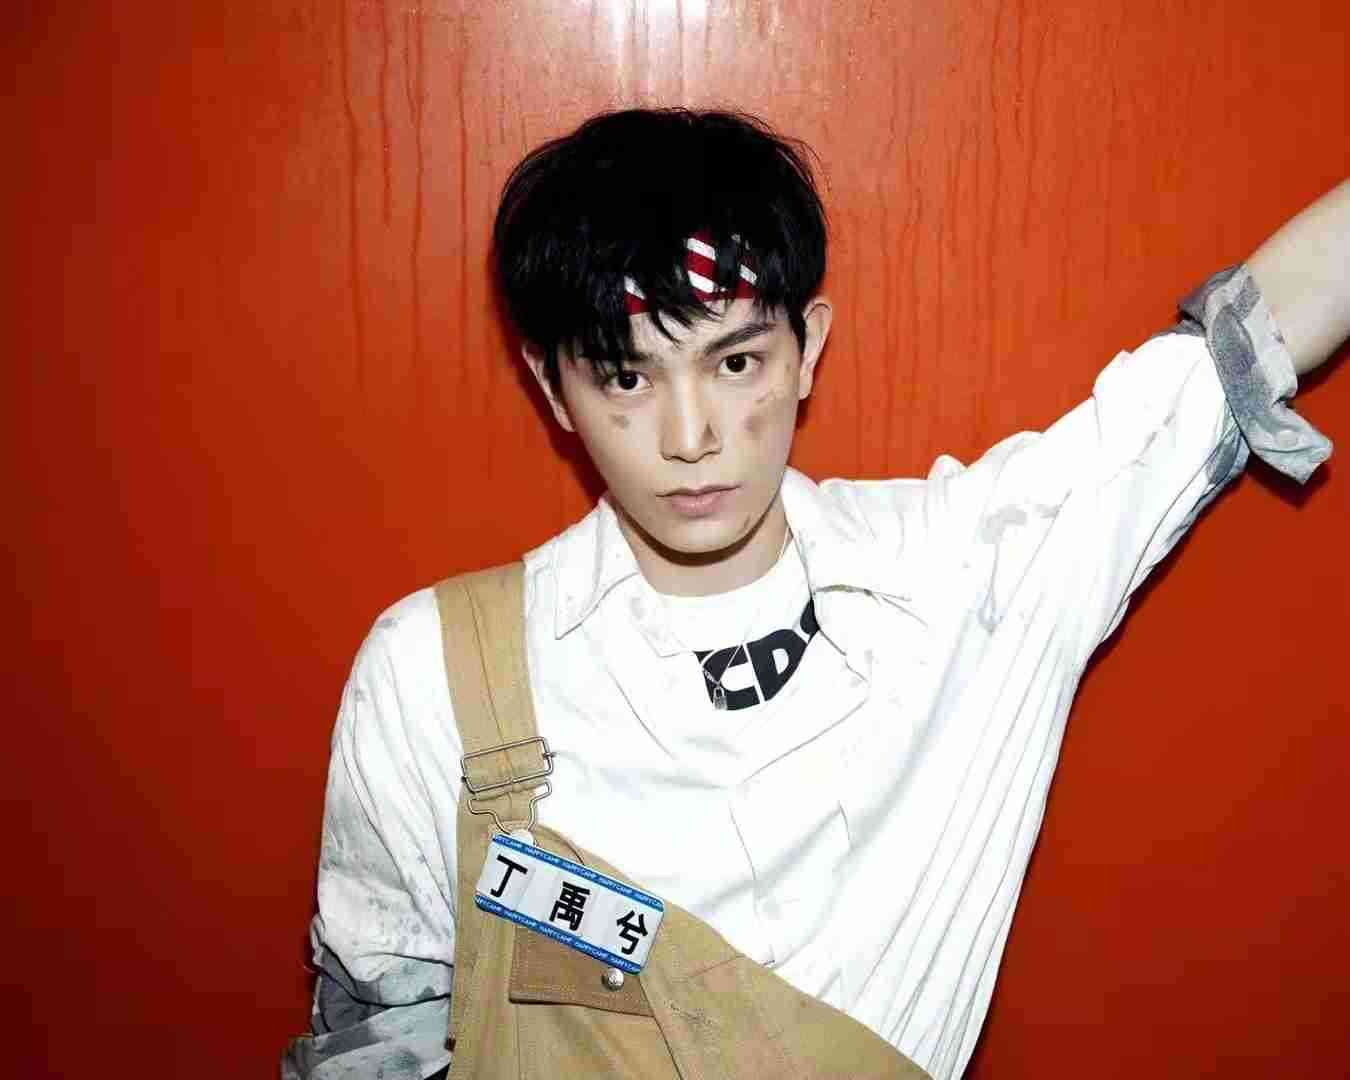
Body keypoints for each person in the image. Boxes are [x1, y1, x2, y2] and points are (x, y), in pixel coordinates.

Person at [282, 109, 1346, 1079]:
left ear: (808, 351)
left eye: (735, 363)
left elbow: (1241, 345)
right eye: (627, 377)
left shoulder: (965, 576)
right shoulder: (437, 672)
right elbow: (375, 1039)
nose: (690, 438)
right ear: (552, 388)